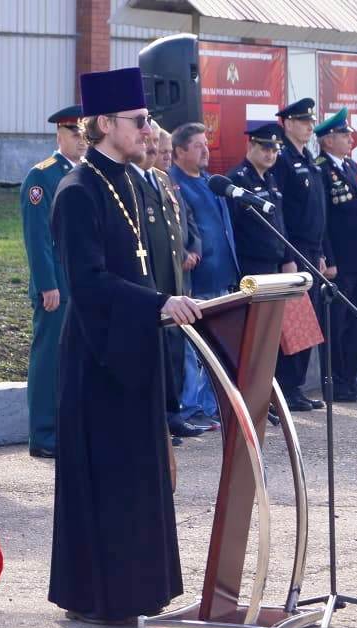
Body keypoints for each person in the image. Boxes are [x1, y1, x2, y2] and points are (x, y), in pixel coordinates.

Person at [48, 66, 200, 625]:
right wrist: (155, 303)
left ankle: (139, 591)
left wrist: (167, 301)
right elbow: (85, 283)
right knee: (107, 481)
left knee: (140, 480)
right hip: (97, 356)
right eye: (138, 122)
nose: (148, 131)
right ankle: (97, 597)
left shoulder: (135, 182)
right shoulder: (76, 190)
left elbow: (145, 262)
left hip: (134, 348)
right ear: (105, 123)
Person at [128, 123, 203, 442]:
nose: (156, 152)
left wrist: (191, 252)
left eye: (160, 147)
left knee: (173, 352)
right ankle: (155, 419)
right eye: (154, 147)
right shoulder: (129, 181)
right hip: (151, 284)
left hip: (174, 280)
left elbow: (180, 225)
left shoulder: (161, 180)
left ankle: (172, 414)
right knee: (154, 356)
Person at [20, 104, 84, 459]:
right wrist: (47, 284)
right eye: (73, 132)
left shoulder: (89, 172)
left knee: (76, 357)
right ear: (59, 135)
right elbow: (38, 236)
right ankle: (44, 433)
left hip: (84, 281)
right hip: (57, 284)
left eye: (83, 132)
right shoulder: (42, 176)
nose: (79, 139)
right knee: (49, 359)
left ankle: (70, 428)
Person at [170, 122, 238, 429]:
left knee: (218, 347)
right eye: (197, 145)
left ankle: (212, 406)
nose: (205, 150)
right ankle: (192, 405)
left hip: (223, 276)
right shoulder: (174, 183)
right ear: (179, 151)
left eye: (205, 144)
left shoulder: (212, 183)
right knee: (194, 350)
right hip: (197, 280)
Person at [313, 109, 357, 402]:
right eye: (343, 134)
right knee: (336, 326)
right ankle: (335, 382)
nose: (350, 138)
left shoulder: (351, 168)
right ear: (327, 140)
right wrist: (330, 260)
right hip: (339, 264)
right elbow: (322, 221)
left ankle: (351, 379)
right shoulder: (321, 169)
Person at [270, 97, 327, 411]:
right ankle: (286, 389)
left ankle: (297, 387)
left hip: (311, 250)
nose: (309, 127)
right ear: (287, 123)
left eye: (310, 122)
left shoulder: (307, 159)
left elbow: (318, 213)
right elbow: (280, 212)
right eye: (303, 121)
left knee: (308, 321)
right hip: (293, 250)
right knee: (293, 322)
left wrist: (321, 253)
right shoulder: (281, 160)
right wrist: (285, 255)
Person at [226, 122, 295, 276]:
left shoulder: (270, 178)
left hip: (274, 264)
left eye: (274, 150)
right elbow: (230, 226)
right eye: (265, 149)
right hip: (251, 265)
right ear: (250, 146)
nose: (270, 155)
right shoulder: (238, 179)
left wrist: (288, 259)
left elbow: (279, 222)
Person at [155, 126, 201, 296]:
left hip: (185, 275)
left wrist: (195, 250)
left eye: (169, 151)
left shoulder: (170, 179)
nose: (168, 156)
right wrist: (182, 255)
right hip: (167, 272)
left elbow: (187, 217)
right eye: (162, 152)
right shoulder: (148, 182)